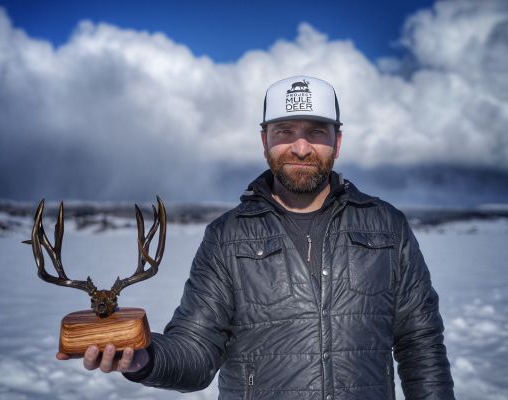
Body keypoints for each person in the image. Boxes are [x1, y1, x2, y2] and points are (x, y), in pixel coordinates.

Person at [58, 75, 455, 399]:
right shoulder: (227, 237)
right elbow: (197, 349)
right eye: (285, 131)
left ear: (338, 141)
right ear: (265, 140)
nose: (301, 147)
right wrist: (145, 358)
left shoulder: (387, 226)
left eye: (317, 132)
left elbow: (421, 345)